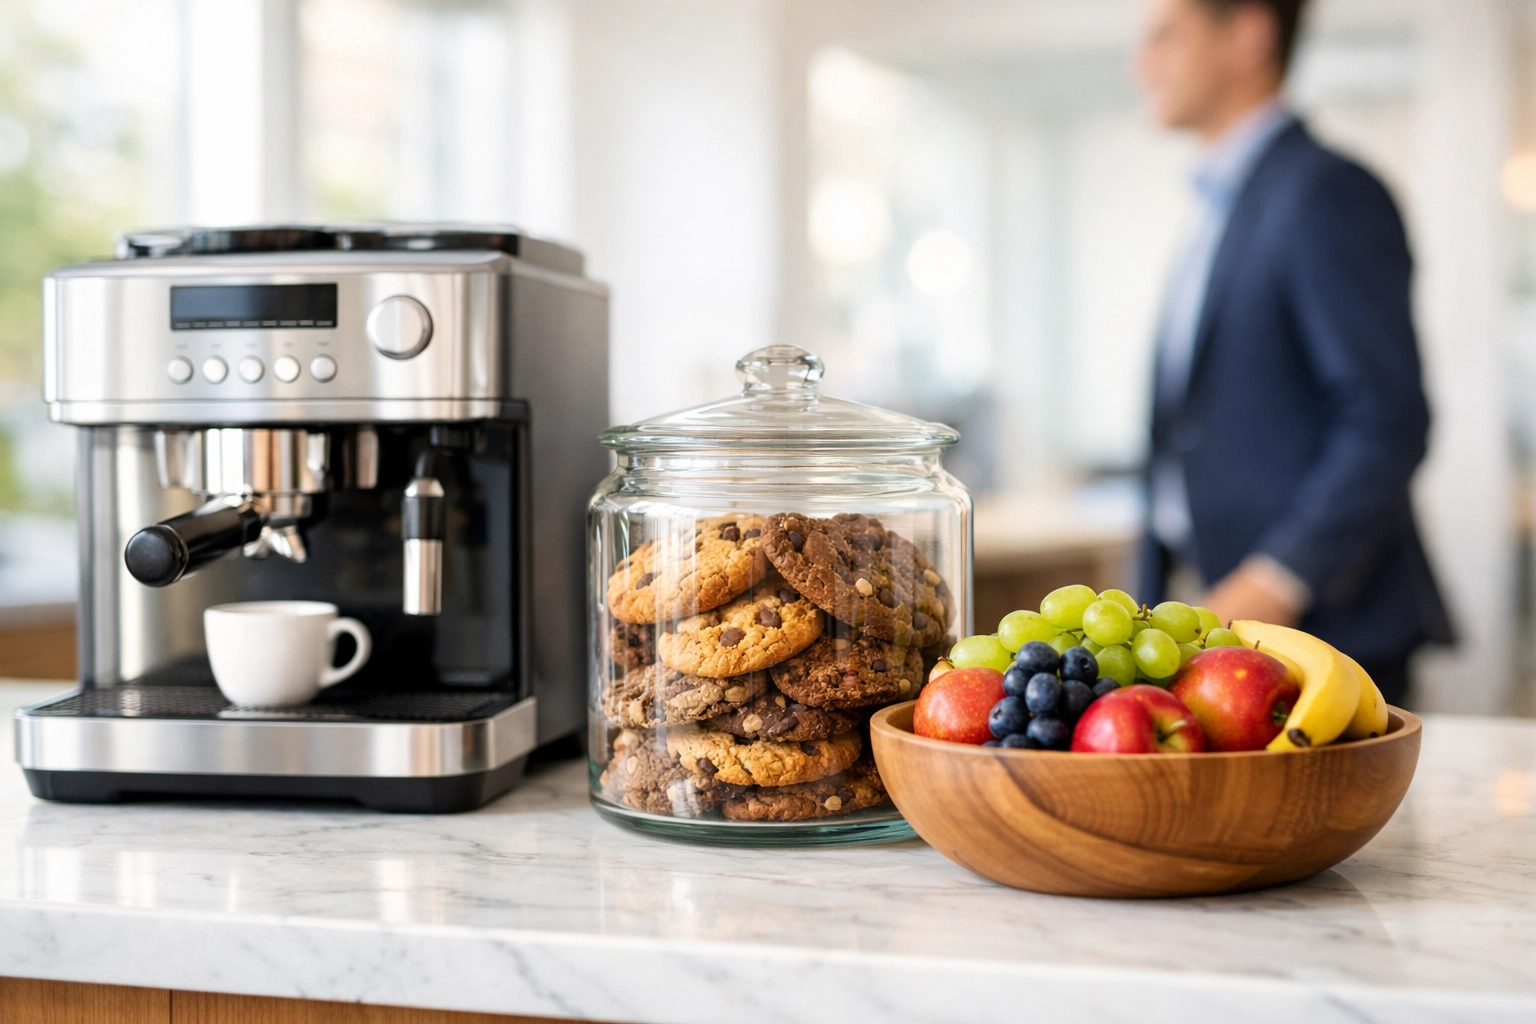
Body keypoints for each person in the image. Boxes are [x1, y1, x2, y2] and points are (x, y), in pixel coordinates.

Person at [1134, 0, 1452, 705]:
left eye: (1165, 36)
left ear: (1249, 34)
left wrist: (1274, 580)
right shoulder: (1220, 205)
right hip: (1214, 618)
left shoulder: (1326, 192)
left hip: (1317, 628)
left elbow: (1387, 416)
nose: (1141, 64)